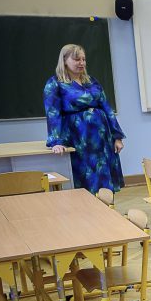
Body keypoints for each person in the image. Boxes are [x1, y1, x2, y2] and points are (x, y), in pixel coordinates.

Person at [44, 44, 125, 193]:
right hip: (78, 139)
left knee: (104, 180)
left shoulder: (91, 81)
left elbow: (107, 108)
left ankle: (106, 205)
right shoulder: (55, 83)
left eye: (83, 59)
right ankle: (88, 206)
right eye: (77, 59)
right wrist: (56, 141)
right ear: (64, 60)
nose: (81, 63)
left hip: (101, 138)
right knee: (86, 179)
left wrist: (117, 136)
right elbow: (53, 113)